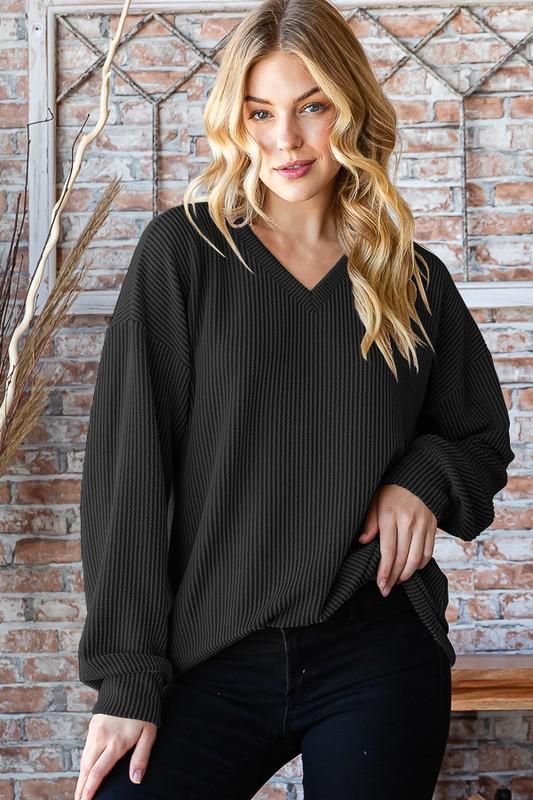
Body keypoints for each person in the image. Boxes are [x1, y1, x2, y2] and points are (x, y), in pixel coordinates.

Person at [74, 1, 514, 798]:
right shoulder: (184, 254)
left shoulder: (410, 279)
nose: (285, 138)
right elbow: (127, 478)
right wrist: (126, 678)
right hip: (210, 656)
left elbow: (478, 437)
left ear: (350, 109)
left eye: (312, 107)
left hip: (375, 649)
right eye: (259, 112)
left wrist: (420, 480)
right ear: (235, 120)